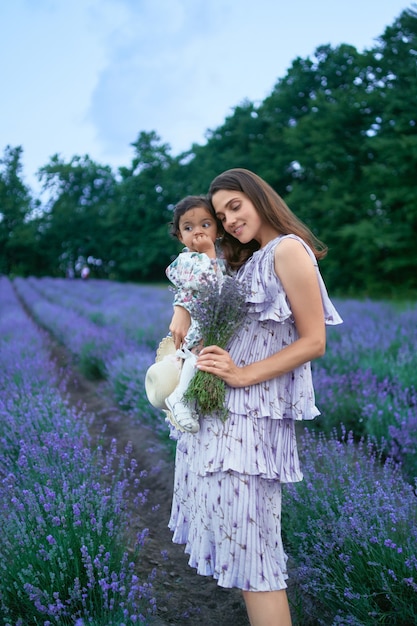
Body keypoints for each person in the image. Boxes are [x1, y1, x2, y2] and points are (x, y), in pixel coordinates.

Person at [168, 169, 342, 626]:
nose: (228, 221)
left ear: (259, 198)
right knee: (244, 555)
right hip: (223, 419)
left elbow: (314, 341)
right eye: (221, 214)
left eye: (235, 207)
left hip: (252, 422)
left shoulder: (287, 249)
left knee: (258, 558)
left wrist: (243, 375)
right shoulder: (249, 260)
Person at [164, 195, 227, 433]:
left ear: (218, 231)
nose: (197, 232)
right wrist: (209, 253)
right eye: (188, 228)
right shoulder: (186, 260)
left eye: (205, 225)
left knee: (203, 361)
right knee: (196, 356)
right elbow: (209, 283)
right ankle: (180, 397)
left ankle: (189, 398)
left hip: (212, 322)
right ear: (180, 236)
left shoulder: (221, 257)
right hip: (199, 323)